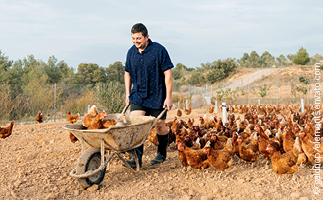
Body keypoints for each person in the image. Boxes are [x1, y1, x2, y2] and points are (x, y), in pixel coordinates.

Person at [124, 23, 174, 168]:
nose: (136, 41)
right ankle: (136, 159)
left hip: (157, 94)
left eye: (138, 38)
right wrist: (128, 94)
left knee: (159, 125)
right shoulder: (131, 52)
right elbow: (127, 73)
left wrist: (168, 97)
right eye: (133, 38)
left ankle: (161, 153)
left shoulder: (159, 50)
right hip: (138, 94)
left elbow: (168, 75)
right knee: (137, 124)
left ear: (147, 37)